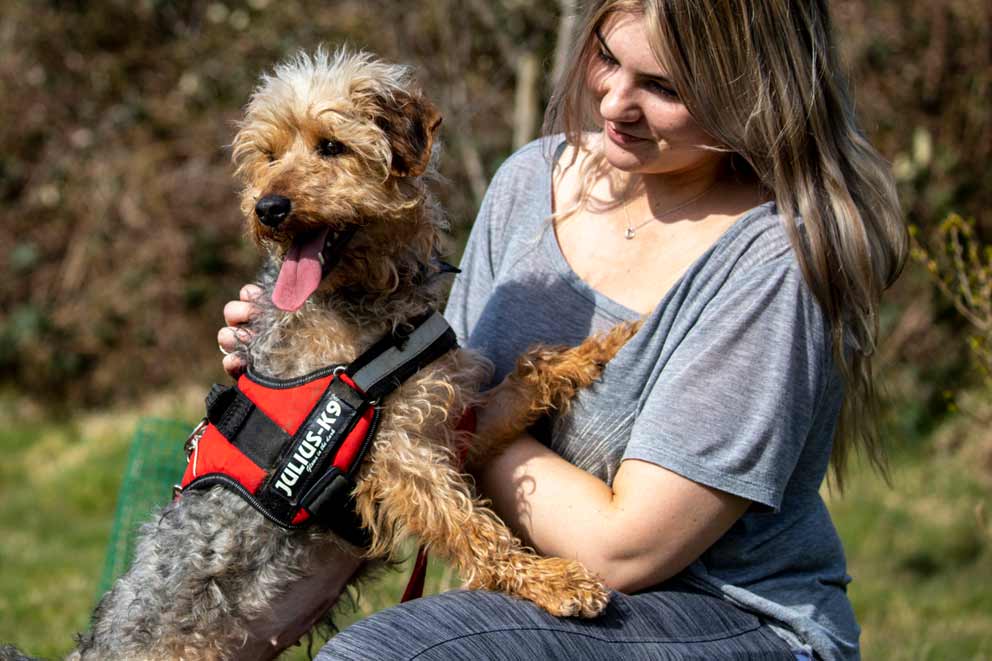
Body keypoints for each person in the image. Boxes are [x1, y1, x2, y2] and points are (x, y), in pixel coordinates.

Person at [219, 1, 907, 658]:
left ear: (752, 90)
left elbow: (622, 548)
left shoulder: (772, 263)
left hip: (727, 616)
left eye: (662, 86)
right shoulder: (530, 180)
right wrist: (308, 383)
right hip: (530, 601)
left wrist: (371, 420)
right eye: (606, 58)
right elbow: (438, 404)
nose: (613, 104)